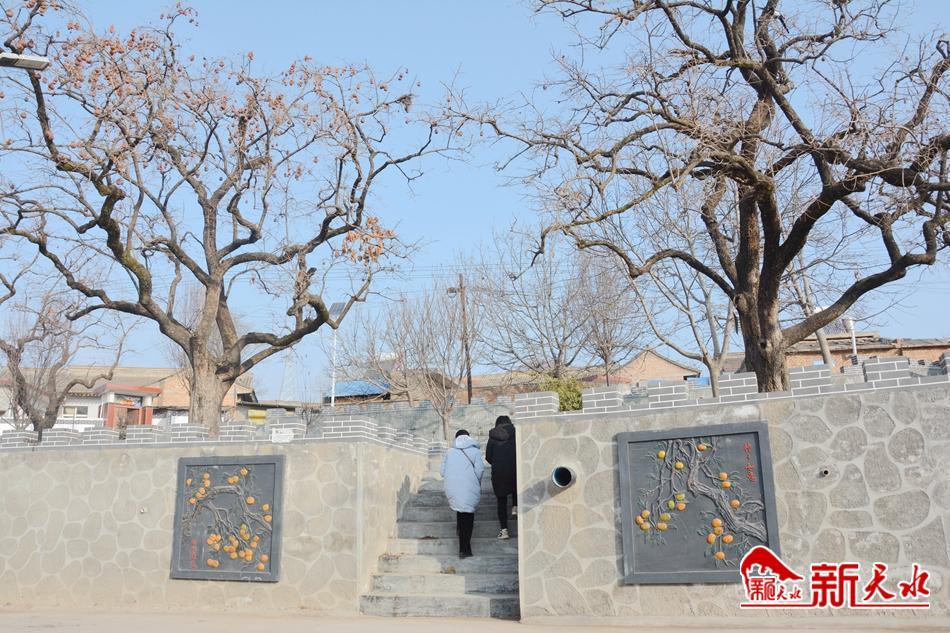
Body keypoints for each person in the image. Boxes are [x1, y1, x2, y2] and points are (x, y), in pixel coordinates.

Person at [440, 429, 484, 558]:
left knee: (460, 511)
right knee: (468, 517)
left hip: (453, 487)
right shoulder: (475, 451)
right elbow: (480, 470)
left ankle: (462, 543)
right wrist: (475, 481)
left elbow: (442, 471)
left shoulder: (449, 452)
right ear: (468, 438)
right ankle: (465, 549)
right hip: (470, 486)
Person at [485, 415, 517, 540]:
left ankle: (504, 531)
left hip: (498, 473)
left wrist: (497, 462)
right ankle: (515, 507)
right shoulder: (516, 433)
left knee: (501, 501)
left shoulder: (493, 436)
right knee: (516, 486)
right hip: (514, 468)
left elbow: (488, 456)